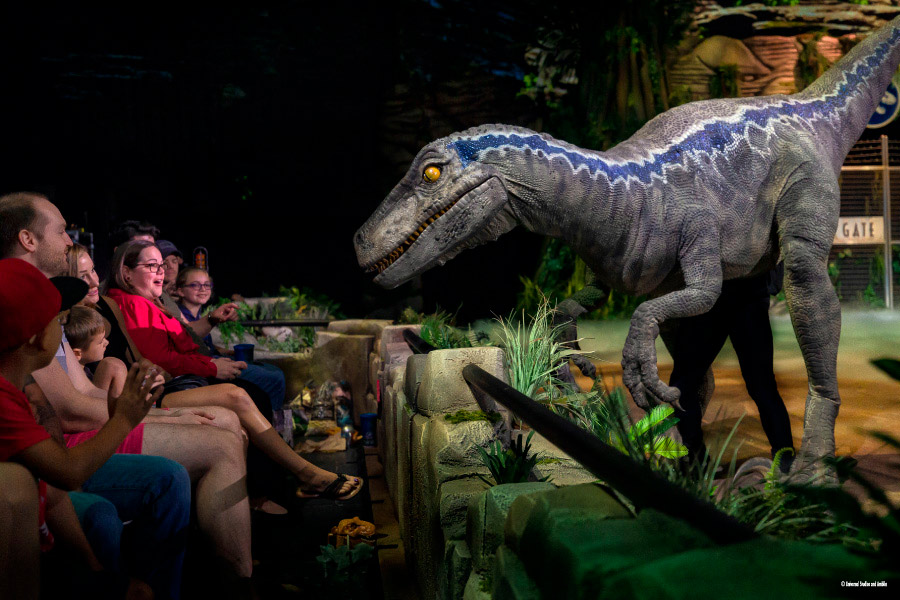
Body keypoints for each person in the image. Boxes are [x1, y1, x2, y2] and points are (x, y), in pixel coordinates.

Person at [1, 192, 256, 586]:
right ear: (27, 239)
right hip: (74, 447)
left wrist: (162, 409)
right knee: (217, 437)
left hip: (65, 456)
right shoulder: (25, 314)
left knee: (225, 419)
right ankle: (232, 581)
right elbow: (68, 434)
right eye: (61, 230)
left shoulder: (39, 310)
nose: (70, 240)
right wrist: (146, 413)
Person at [107, 239, 363, 500]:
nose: (161, 272)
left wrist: (213, 357)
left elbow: (181, 345)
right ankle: (295, 478)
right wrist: (211, 367)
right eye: (152, 266)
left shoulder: (151, 302)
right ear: (126, 273)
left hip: (181, 380)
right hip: (164, 391)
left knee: (254, 391)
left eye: (161, 265)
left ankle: (279, 483)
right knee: (243, 394)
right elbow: (161, 359)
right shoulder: (133, 304)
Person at [0, 256, 178, 598]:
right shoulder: (3, 400)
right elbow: (67, 473)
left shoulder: (15, 391)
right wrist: (124, 419)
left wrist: (94, 566)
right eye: (59, 321)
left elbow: (51, 491)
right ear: (36, 338)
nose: (63, 332)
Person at [665, 268, 795, 470]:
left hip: (712, 293)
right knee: (763, 386)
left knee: (684, 382)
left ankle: (694, 460)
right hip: (749, 292)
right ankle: (785, 458)